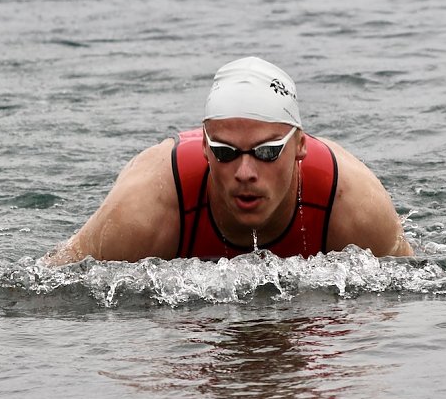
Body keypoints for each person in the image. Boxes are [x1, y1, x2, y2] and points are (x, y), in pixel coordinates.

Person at [43, 57, 412, 265]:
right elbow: (47, 282)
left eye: (267, 152)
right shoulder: (148, 206)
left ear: (300, 145)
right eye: (225, 152)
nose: (245, 173)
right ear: (205, 148)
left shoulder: (351, 204)